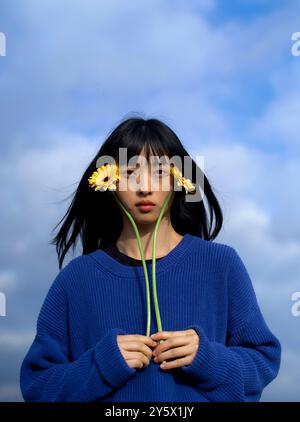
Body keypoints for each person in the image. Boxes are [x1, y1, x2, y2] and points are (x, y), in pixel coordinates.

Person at [19, 116, 281, 402]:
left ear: (179, 180)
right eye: (131, 172)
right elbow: (37, 386)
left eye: (158, 172)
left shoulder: (221, 265)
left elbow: (262, 361)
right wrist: (101, 365)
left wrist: (208, 358)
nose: (145, 187)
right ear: (109, 181)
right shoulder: (75, 280)